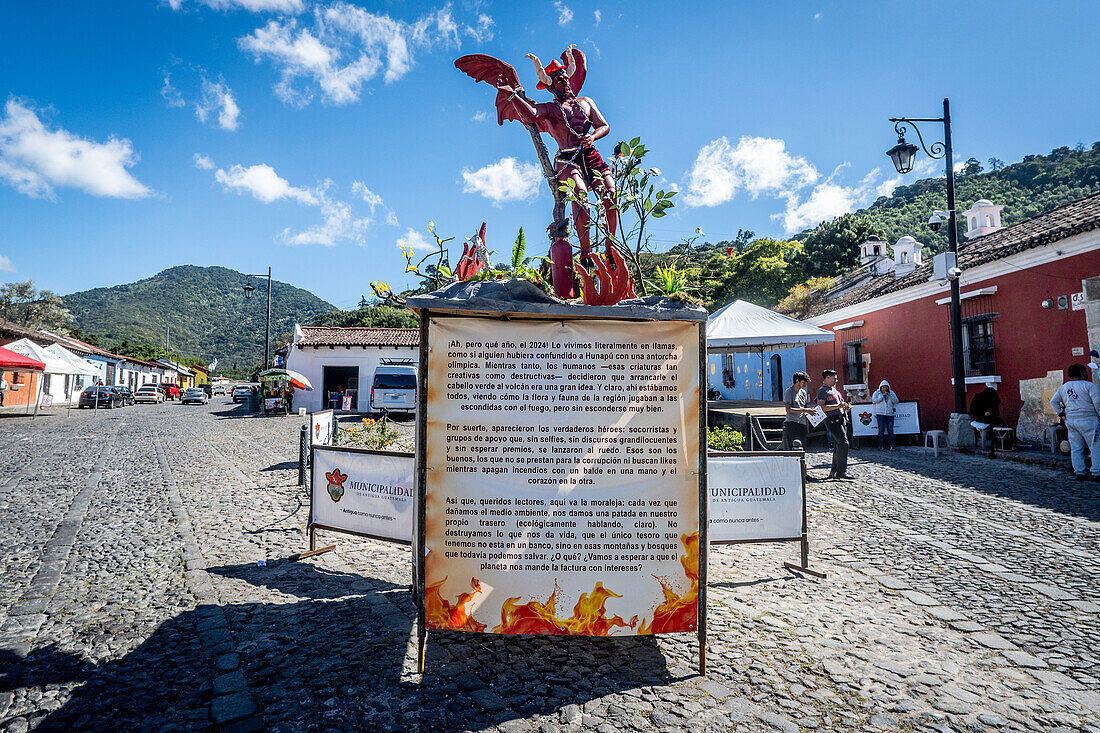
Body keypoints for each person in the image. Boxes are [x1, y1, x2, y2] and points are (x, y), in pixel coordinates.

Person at [494, 48, 617, 259]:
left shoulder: (586, 102)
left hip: (590, 153)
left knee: (611, 192)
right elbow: (531, 115)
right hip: (567, 159)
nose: (563, 81)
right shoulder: (551, 109)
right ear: (551, 87)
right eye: (558, 80)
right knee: (579, 194)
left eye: (564, 77)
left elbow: (604, 125)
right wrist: (513, 95)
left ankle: (610, 248)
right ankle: (586, 253)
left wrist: (593, 137)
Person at [1049, 363, 1100, 480]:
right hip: (1089, 419)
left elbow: (1053, 401)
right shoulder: (1089, 386)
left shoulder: (1063, 387)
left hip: (1071, 420)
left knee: (1076, 447)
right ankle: (1096, 472)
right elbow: (1097, 402)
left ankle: (1079, 472)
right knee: (1095, 446)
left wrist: (1061, 414)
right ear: (1082, 374)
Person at [817, 369, 852, 479]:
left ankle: (834, 471)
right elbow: (821, 408)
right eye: (834, 378)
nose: (836, 381)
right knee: (843, 443)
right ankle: (841, 471)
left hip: (841, 418)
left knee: (838, 445)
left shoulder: (834, 390)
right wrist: (837, 407)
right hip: (832, 420)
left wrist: (845, 407)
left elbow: (839, 404)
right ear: (827, 377)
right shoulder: (822, 391)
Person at [781, 371, 814, 450]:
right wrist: (805, 410)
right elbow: (788, 410)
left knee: (803, 447)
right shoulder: (789, 392)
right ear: (797, 381)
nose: (805, 385)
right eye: (803, 382)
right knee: (793, 447)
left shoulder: (803, 392)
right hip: (792, 423)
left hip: (802, 423)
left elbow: (805, 406)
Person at [871, 379, 900, 450]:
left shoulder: (892, 393)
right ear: (880, 387)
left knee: (890, 430)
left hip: (890, 414)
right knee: (881, 430)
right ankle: (881, 446)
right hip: (880, 414)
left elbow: (896, 401)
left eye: (886, 387)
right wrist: (881, 396)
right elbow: (874, 401)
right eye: (883, 387)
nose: (885, 388)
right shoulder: (877, 393)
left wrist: (890, 396)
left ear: (888, 387)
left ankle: (892, 446)